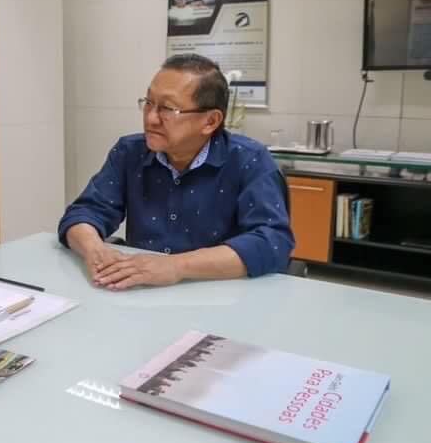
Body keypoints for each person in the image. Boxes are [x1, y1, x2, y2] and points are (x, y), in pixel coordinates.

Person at [58, 53, 294, 291]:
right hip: (141, 293)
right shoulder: (130, 152)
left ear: (210, 121)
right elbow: (85, 212)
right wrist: (95, 250)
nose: (151, 118)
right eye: (148, 103)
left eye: (168, 109)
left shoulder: (249, 160)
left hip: (221, 296)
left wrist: (175, 267)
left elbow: (272, 242)